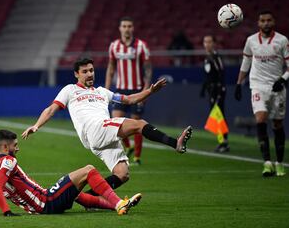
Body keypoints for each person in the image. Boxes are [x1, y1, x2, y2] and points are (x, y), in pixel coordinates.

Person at [22, 57, 192, 194]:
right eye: (85, 71)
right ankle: (174, 143)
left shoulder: (103, 92)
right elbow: (51, 109)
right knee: (139, 124)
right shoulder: (70, 90)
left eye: (91, 70)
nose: (90, 74)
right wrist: (36, 125)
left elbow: (130, 99)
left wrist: (150, 91)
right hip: (94, 129)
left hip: (101, 136)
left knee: (122, 174)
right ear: (76, 74)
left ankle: (89, 198)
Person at [0, 129, 142, 216]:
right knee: (89, 170)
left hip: (38, 207)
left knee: (74, 193)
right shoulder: (9, 161)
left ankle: (114, 206)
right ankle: (119, 204)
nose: (17, 148)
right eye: (15, 145)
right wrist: (6, 212)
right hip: (46, 201)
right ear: (4, 147)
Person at [234, 10, 289, 177]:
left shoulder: (282, 40)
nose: (266, 23)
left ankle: (280, 163)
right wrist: (239, 83)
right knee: (260, 119)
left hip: (277, 87)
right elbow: (246, 63)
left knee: (277, 124)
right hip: (258, 86)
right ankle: (267, 163)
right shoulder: (251, 41)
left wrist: (282, 80)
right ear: (258, 23)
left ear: (273, 22)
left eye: (269, 20)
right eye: (262, 20)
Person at [105, 16, 152, 165]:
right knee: (115, 121)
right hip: (120, 90)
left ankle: (137, 157)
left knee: (137, 124)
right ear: (120, 28)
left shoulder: (141, 46)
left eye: (129, 26)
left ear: (133, 28)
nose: (126, 28)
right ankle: (128, 146)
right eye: (124, 26)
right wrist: (106, 90)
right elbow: (111, 68)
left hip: (137, 89)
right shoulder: (114, 46)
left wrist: (146, 90)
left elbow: (148, 70)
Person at [200, 35, 230, 152]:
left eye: (209, 42)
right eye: (205, 41)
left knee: (219, 115)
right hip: (211, 90)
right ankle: (221, 141)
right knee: (217, 115)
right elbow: (208, 76)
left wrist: (221, 89)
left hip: (217, 90)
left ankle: (224, 142)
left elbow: (221, 73)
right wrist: (203, 89)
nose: (207, 44)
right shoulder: (207, 57)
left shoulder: (216, 57)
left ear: (214, 44)